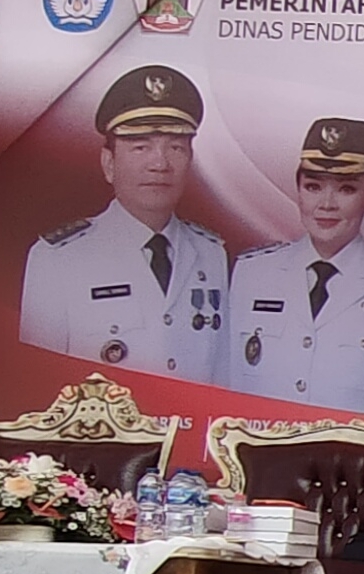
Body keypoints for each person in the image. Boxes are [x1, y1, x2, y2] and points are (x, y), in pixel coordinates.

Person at [21, 64, 228, 383]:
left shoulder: (212, 252)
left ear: (190, 160)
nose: (159, 164)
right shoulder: (59, 259)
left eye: (175, 147)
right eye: (141, 147)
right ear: (109, 163)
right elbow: (39, 384)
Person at [226, 118, 364, 415]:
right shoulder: (251, 274)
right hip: (257, 459)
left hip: (348, 462)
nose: (326, 204)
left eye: (346, 189)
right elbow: (224, 399)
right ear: (297, 190)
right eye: (313, 186)